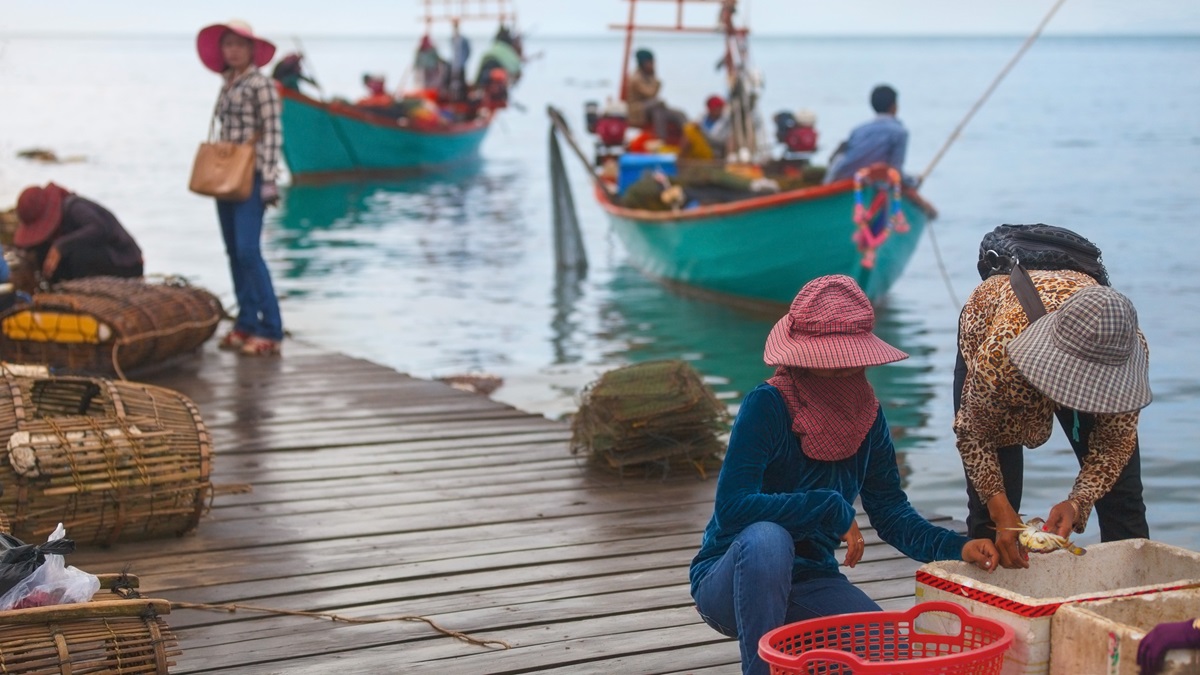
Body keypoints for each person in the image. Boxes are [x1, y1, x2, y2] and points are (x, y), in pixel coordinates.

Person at [691, 275, 1000, 675]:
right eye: (828, 364)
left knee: (894, 657)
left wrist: (958, 547)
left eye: (850, 362)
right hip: (733, 578)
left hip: (810, 580)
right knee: (769, 537)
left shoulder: (868, 414)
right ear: (802, 358)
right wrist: (828, 506)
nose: (841, 370)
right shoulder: (766, 404)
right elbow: (733, 508)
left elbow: (891, 512)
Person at [954, 224, 1151, 569]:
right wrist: (1001, 510)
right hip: (1005, 334)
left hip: (1088, 336)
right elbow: (974, 434)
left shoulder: (1125, 347)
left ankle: (1133, 592)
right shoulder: (1001, 353)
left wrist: (1077, 503)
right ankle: (989, 595)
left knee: (1123, 498)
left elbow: (1115, 443)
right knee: (992, 516)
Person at [196, 19, 284, 356]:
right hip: (226, 175)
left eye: (239, 45)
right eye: (228, 45)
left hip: (253, 175)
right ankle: (246, 321)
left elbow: (273, 131)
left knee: (248, 251)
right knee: (234, 251)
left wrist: (270, 178)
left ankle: (271, 328)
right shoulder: (228, 83)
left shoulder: (261, 84)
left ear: (251, 50)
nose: (232, 51)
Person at [13, 183, 143, 285]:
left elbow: (99, 229)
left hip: (125, 261)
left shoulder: (74, 207)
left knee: (78, 255)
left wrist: (61, 245)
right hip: (96, 261)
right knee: (43, 252)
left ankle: (81, 291)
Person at [825, 84, 915, 186]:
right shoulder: (900, 132)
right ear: (894, 106)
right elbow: (896, 171)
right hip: (872, 182)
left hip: (845, 179)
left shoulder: (858, 130)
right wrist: (913, 182)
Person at [624, 49, 684, 143]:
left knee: (676, 113)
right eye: (650, 63)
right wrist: (657, 82)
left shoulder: (649, 76)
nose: (653, 65)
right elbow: (650, 93)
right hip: (637, 110)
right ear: (643, 63)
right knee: (657, 105)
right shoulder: (636, 78)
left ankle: (687, 136)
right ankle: (661, 139)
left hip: (651, 108)